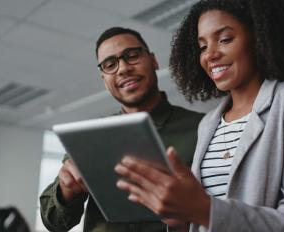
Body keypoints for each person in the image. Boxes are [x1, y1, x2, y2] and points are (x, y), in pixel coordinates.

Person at [114, 0, 284, 231]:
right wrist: (182, 219)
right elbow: (204, 219)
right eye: (202, 47)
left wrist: (204, 210)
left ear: (259, 38)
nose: (210, 55)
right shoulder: (208, 123)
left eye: (225, 39)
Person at [39, 27, 203, 232]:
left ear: (153, 60)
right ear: (104, 79)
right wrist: (67, 191)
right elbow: (53, 222)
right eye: (110, 64)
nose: (123, 68)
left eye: (132, 56)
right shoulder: (90, 137)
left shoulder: (203, 128)